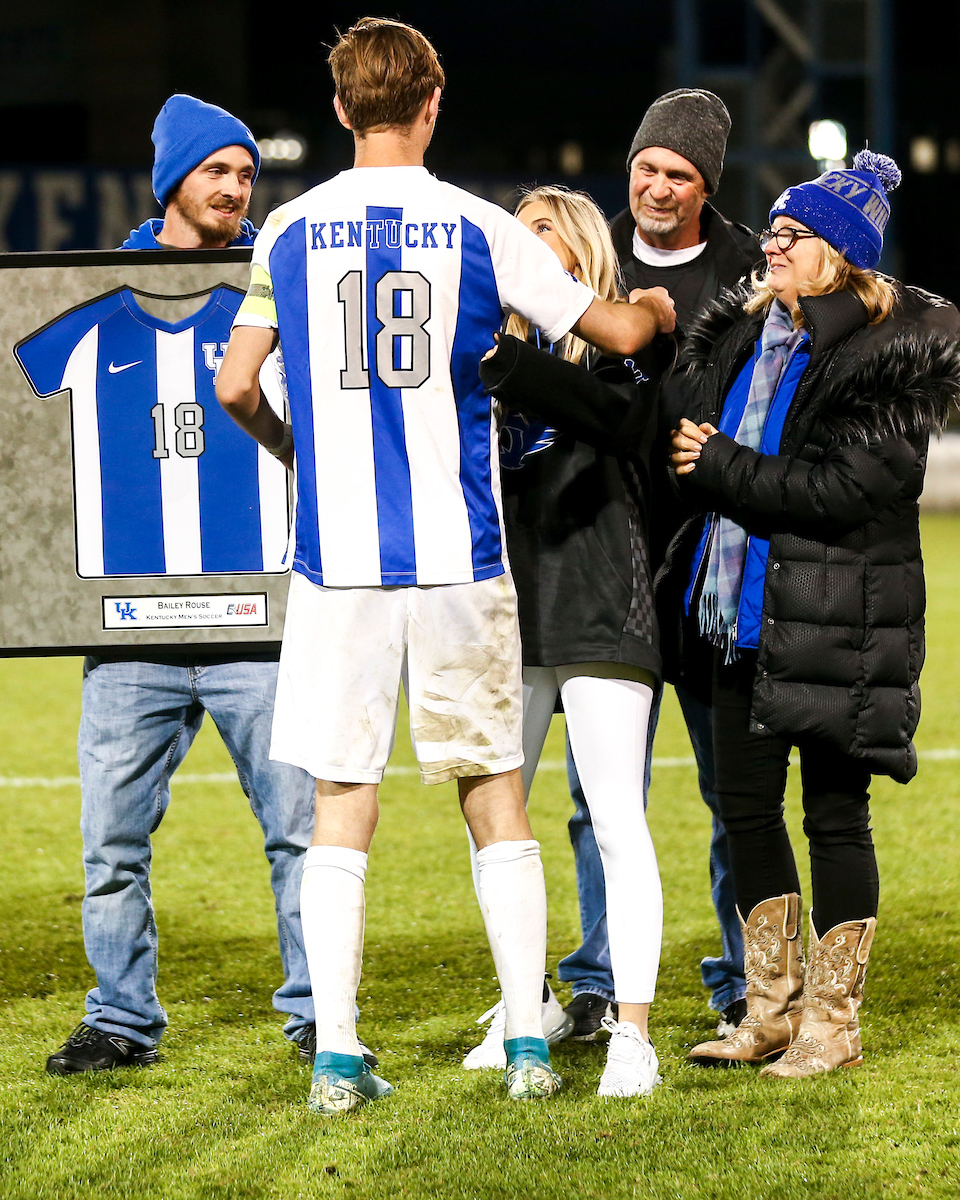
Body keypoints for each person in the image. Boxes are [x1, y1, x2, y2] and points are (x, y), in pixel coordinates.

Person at [216, 17, 675, 1114]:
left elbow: (237, 384)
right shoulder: (477, 227)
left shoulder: (287, 231)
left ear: (339, 109)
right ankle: (526, 1045)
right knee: (493, 794)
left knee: (341, 803)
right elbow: (609, 335)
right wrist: (653, 306)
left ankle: (337, 1056)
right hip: (460, 550)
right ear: (431, 105)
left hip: (340, 562)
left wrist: (302, 451)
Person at [46, 94, 326, 1076]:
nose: (237, 187)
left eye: (248, 173)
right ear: (173, 181)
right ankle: (121, 1018)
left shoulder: (282, 287)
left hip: (264, 613)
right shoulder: (93, 294)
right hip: (132, 625)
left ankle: (317, 1015)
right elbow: (25, 422)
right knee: (110, 841)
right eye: (219, 170)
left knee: (300, 833)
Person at [662, 151, 960, 1075]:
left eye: (793, 235)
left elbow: (839, 490)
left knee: (836, 819)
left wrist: (717, 469)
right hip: (738, 613)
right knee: (747, 815)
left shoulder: (889, 353)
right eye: (775, 231)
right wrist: (714, 340)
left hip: (841, 618)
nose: (773, 247)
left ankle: (834, 1025)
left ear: (842, 253)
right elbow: (681, 415)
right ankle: (772, 1012)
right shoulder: (759, 334)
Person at [560, 88, 763, 1041]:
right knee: (598, 794)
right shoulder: (588, 254)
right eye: (647, 166)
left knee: (735, 790)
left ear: (705, 185)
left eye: (678, 174)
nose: (657, 186)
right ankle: (597, 979)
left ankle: (742, 981)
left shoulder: (749, 268)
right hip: (607, 556)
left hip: (711, 564)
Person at [461, 186, 664, 1097]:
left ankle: (633, 1033)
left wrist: (506, 354)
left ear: (576, 259)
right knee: (495, 827)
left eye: (537, 235)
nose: (518, 249)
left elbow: (615, 419)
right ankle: (524, 1009)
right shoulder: (485, 358)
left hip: (596, 600)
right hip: (505, 610)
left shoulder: (627, 349)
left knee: (617, 820)